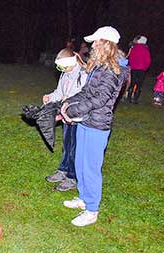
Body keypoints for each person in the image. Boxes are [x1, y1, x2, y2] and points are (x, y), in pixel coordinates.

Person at [61, 26, 128, 226]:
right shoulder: (99, 67)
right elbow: (87, 92)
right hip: (86, 121)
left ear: (105, 44)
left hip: (97, 126)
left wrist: (73, 112)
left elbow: (99, 100)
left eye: (95, 42)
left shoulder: (111, 70)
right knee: (80, 163)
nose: (92, 45)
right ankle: (83, 198)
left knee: (90, 168)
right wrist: (69, 101)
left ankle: (92, 210)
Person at [43, 48, 88, 192]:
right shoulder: (65, 73)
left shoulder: (83, 74)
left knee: (75, 148)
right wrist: (50, 97)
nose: (61, 70)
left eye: (62, 67)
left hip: (78, 118)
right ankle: (63, 170)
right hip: (66, 116)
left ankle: (72, 177)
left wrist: (67, 113)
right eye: (59, 67)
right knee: (67, 145)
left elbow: (83, 99)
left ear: (71, 62)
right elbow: (60, 92)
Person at [126, 35, 151, 103]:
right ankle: (135, 99)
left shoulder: (134, 48)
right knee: (139, 84)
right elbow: (148, 60)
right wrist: (145, 67)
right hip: (142, 69)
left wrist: (131, 65)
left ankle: (129, 98)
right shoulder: (146, 49)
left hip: (134, 68)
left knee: (132, 83)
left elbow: (131, 58)